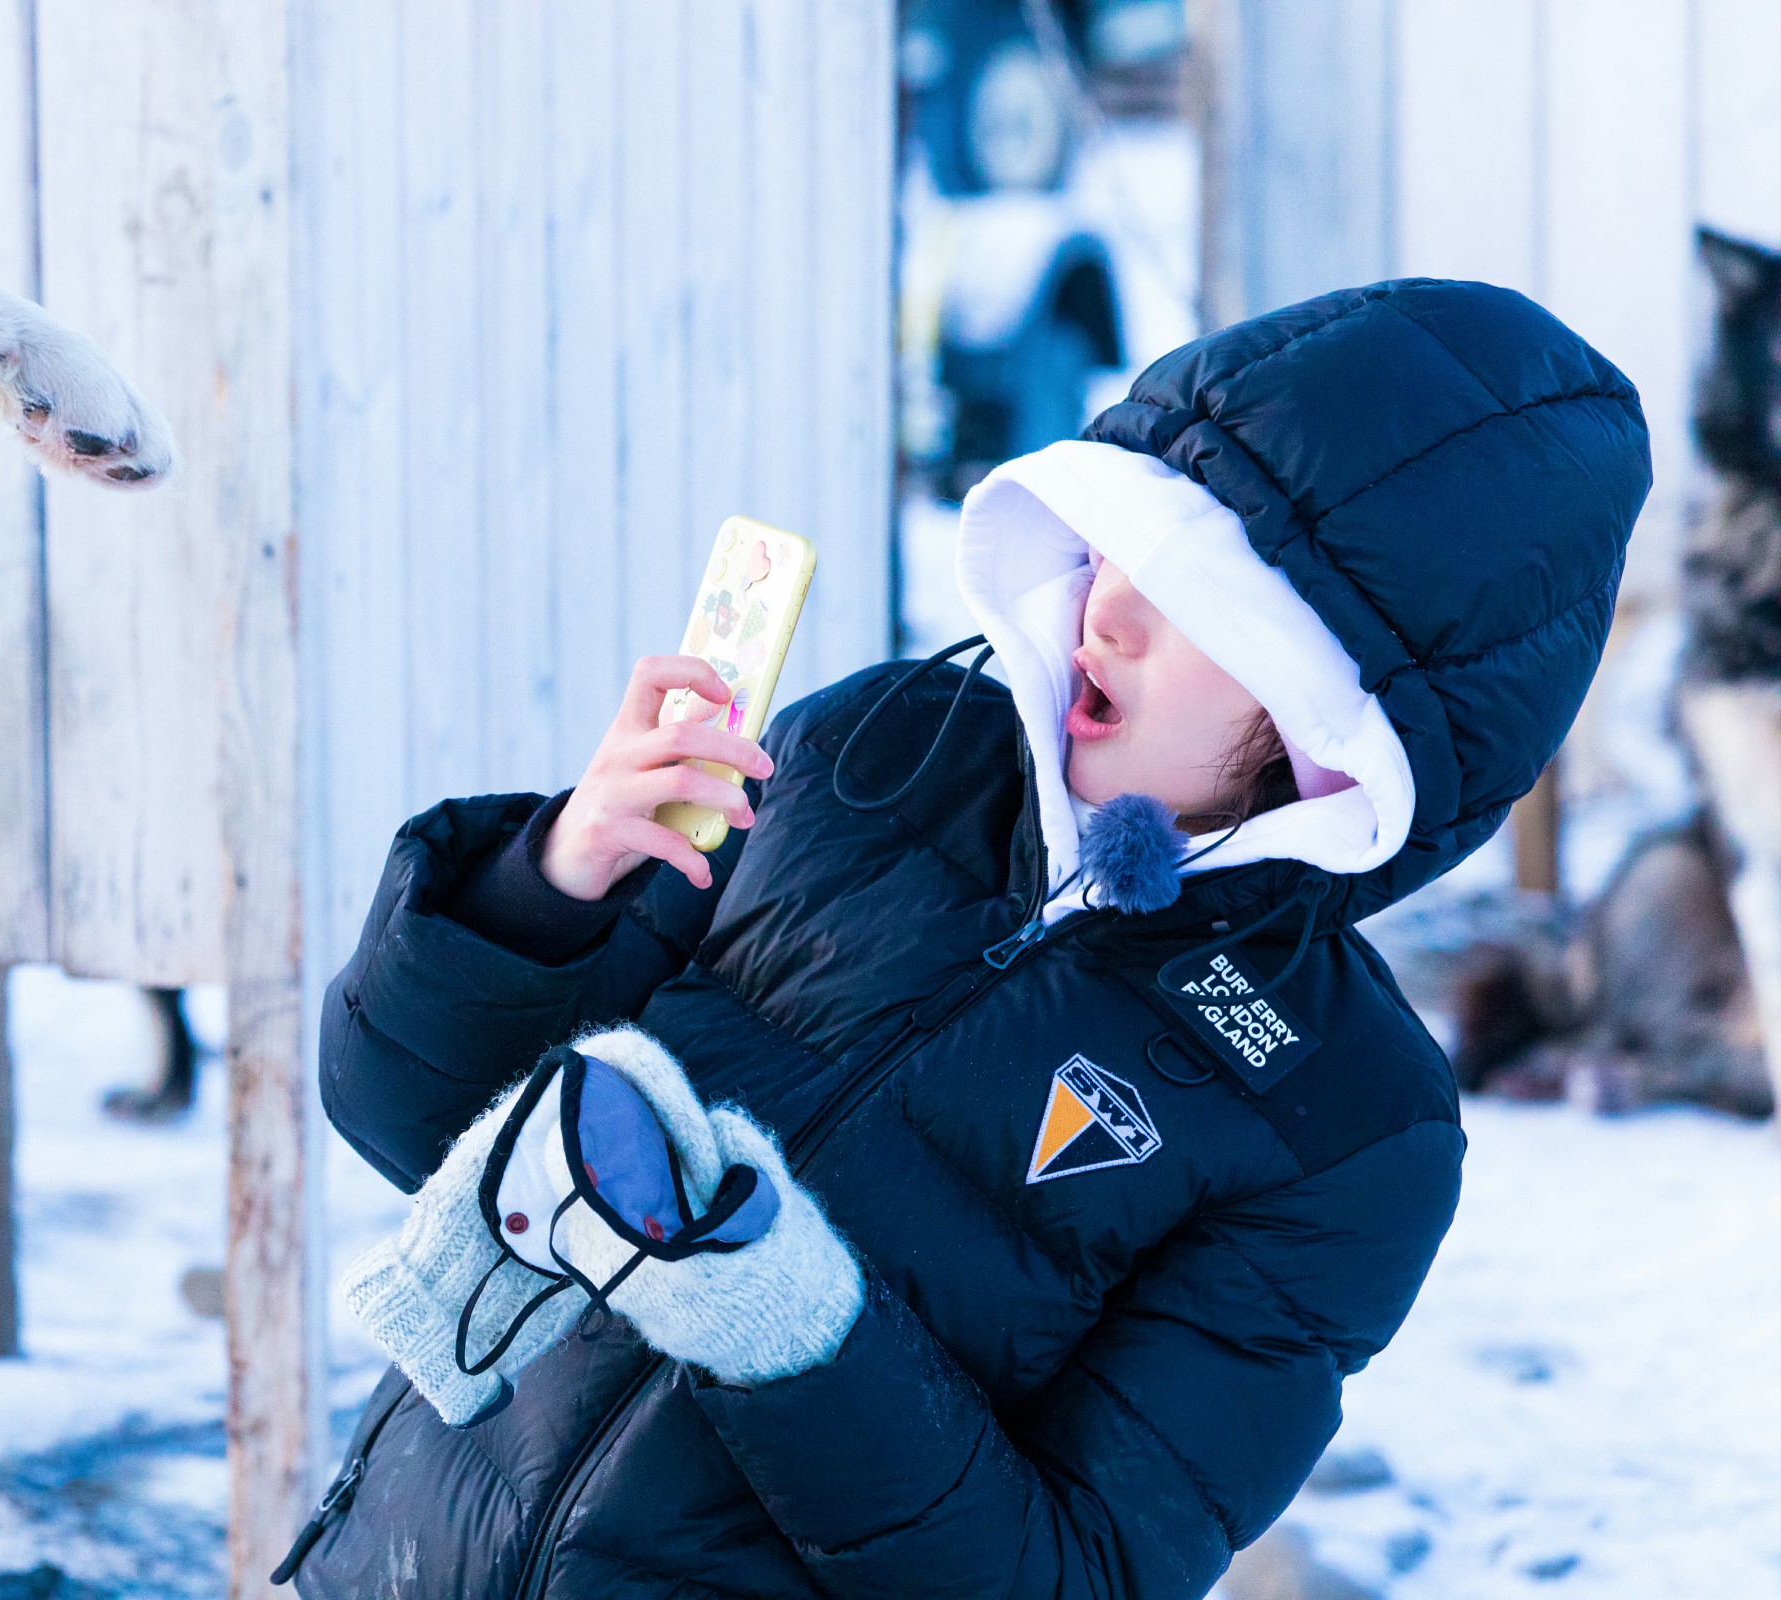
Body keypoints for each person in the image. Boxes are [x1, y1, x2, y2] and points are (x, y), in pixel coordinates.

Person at [292, 281, 1651, 1599]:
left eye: (1196, 600)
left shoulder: (1347, 1125)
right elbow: (407, 1116)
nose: (1105, 609)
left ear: (1336, 737)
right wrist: (555, 883)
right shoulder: (883, 747)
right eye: (1121, 542)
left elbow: (1073, 1574)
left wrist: (784, 1317)